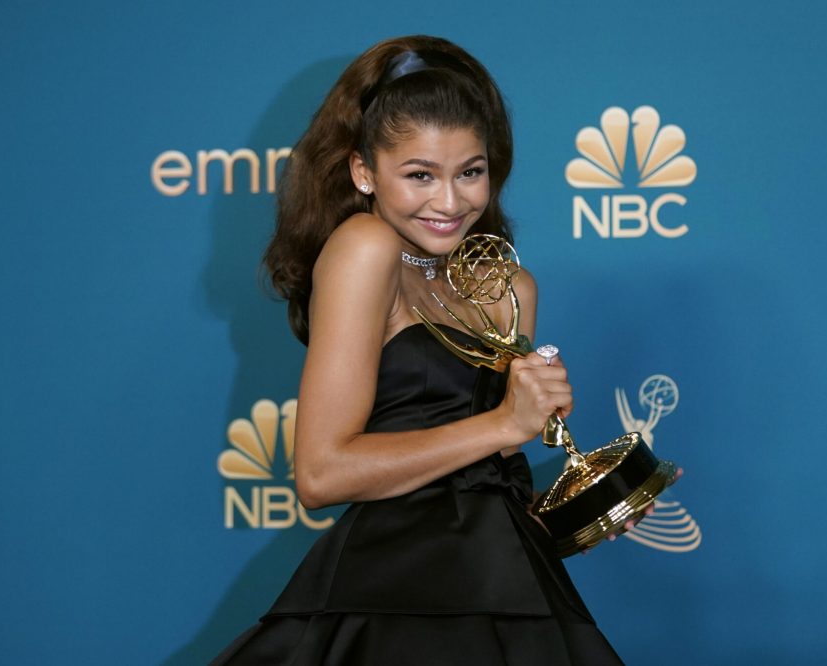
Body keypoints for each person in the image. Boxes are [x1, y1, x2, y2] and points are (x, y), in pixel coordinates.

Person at [213, 35, 633, 665]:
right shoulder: (366, 248)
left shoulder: (508, 287)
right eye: (419, 175)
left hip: (509, 596)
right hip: (394, 597)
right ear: (364, 172)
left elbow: (481, 489)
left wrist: (583, 510)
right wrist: (502, 423)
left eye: (471, 172)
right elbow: (320, 473)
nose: (449, 201)